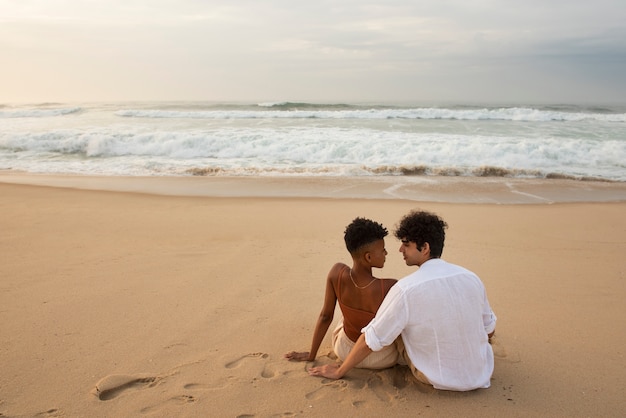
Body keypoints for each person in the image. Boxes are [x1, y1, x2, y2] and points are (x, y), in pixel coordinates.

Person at [308, 210, 497, 391]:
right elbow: (489, 331)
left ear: (425, 248)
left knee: (398, 323)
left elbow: (370, 338)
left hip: (433, 376)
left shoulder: (405, 289)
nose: (399, 249)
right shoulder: (472, 278)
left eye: (406, 244)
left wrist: (340, 371)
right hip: (481, 373)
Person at [285, 217, 399, 369]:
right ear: (369, 257)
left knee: (344, 315)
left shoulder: (336, 273)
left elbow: (325, 316)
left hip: (344, 351)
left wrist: (312, 355)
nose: (386, 253)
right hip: (380, 359)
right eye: (382, 250)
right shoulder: (389, 286)